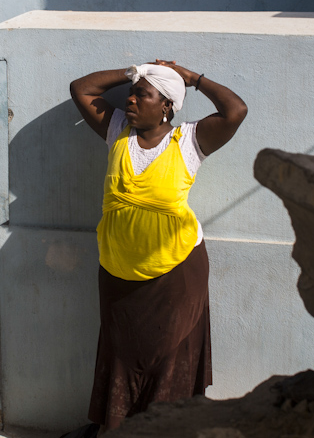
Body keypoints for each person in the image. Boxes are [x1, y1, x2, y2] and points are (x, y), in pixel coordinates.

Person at [69, 61, 248, 432]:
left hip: (176, 273)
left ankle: (167, 430)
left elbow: (236, 111)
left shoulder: (189, 141)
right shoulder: (117, 130)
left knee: (169, 357)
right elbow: (81, 89)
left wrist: (192, 78)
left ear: (166, 105)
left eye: (142, 94)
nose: (131, 100)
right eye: (131, 94)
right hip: (118, 270)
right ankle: (118, 428)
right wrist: (136, 70)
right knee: (121, 353)